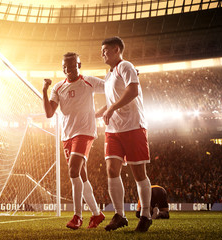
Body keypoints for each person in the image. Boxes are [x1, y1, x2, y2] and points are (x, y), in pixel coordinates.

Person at [95, 36, 152, 232]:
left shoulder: (126, 66)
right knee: (111, 170)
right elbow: (112, 101)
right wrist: (100, 111)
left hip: (133, 126)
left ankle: (145, 215)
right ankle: (120, 215)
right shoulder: (108, 75)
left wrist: (111, 110)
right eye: (101, 51)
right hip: (113, 129)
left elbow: (133, 91)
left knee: (139, 174)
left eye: (105, 50)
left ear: (117, 49)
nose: (102, 54)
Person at [43, 52, 105, 230]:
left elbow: (111, 87)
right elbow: (49, 113)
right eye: (65, 66)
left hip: (84, 132)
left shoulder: (89, 82)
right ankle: (96, 213)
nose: (68, 69)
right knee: (81, 176)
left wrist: (126, 78)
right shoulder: (58, 87)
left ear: (79, 65)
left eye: (71, 65)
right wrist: (44, 90)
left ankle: (78, 216)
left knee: (73, 171)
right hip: (67, 136)